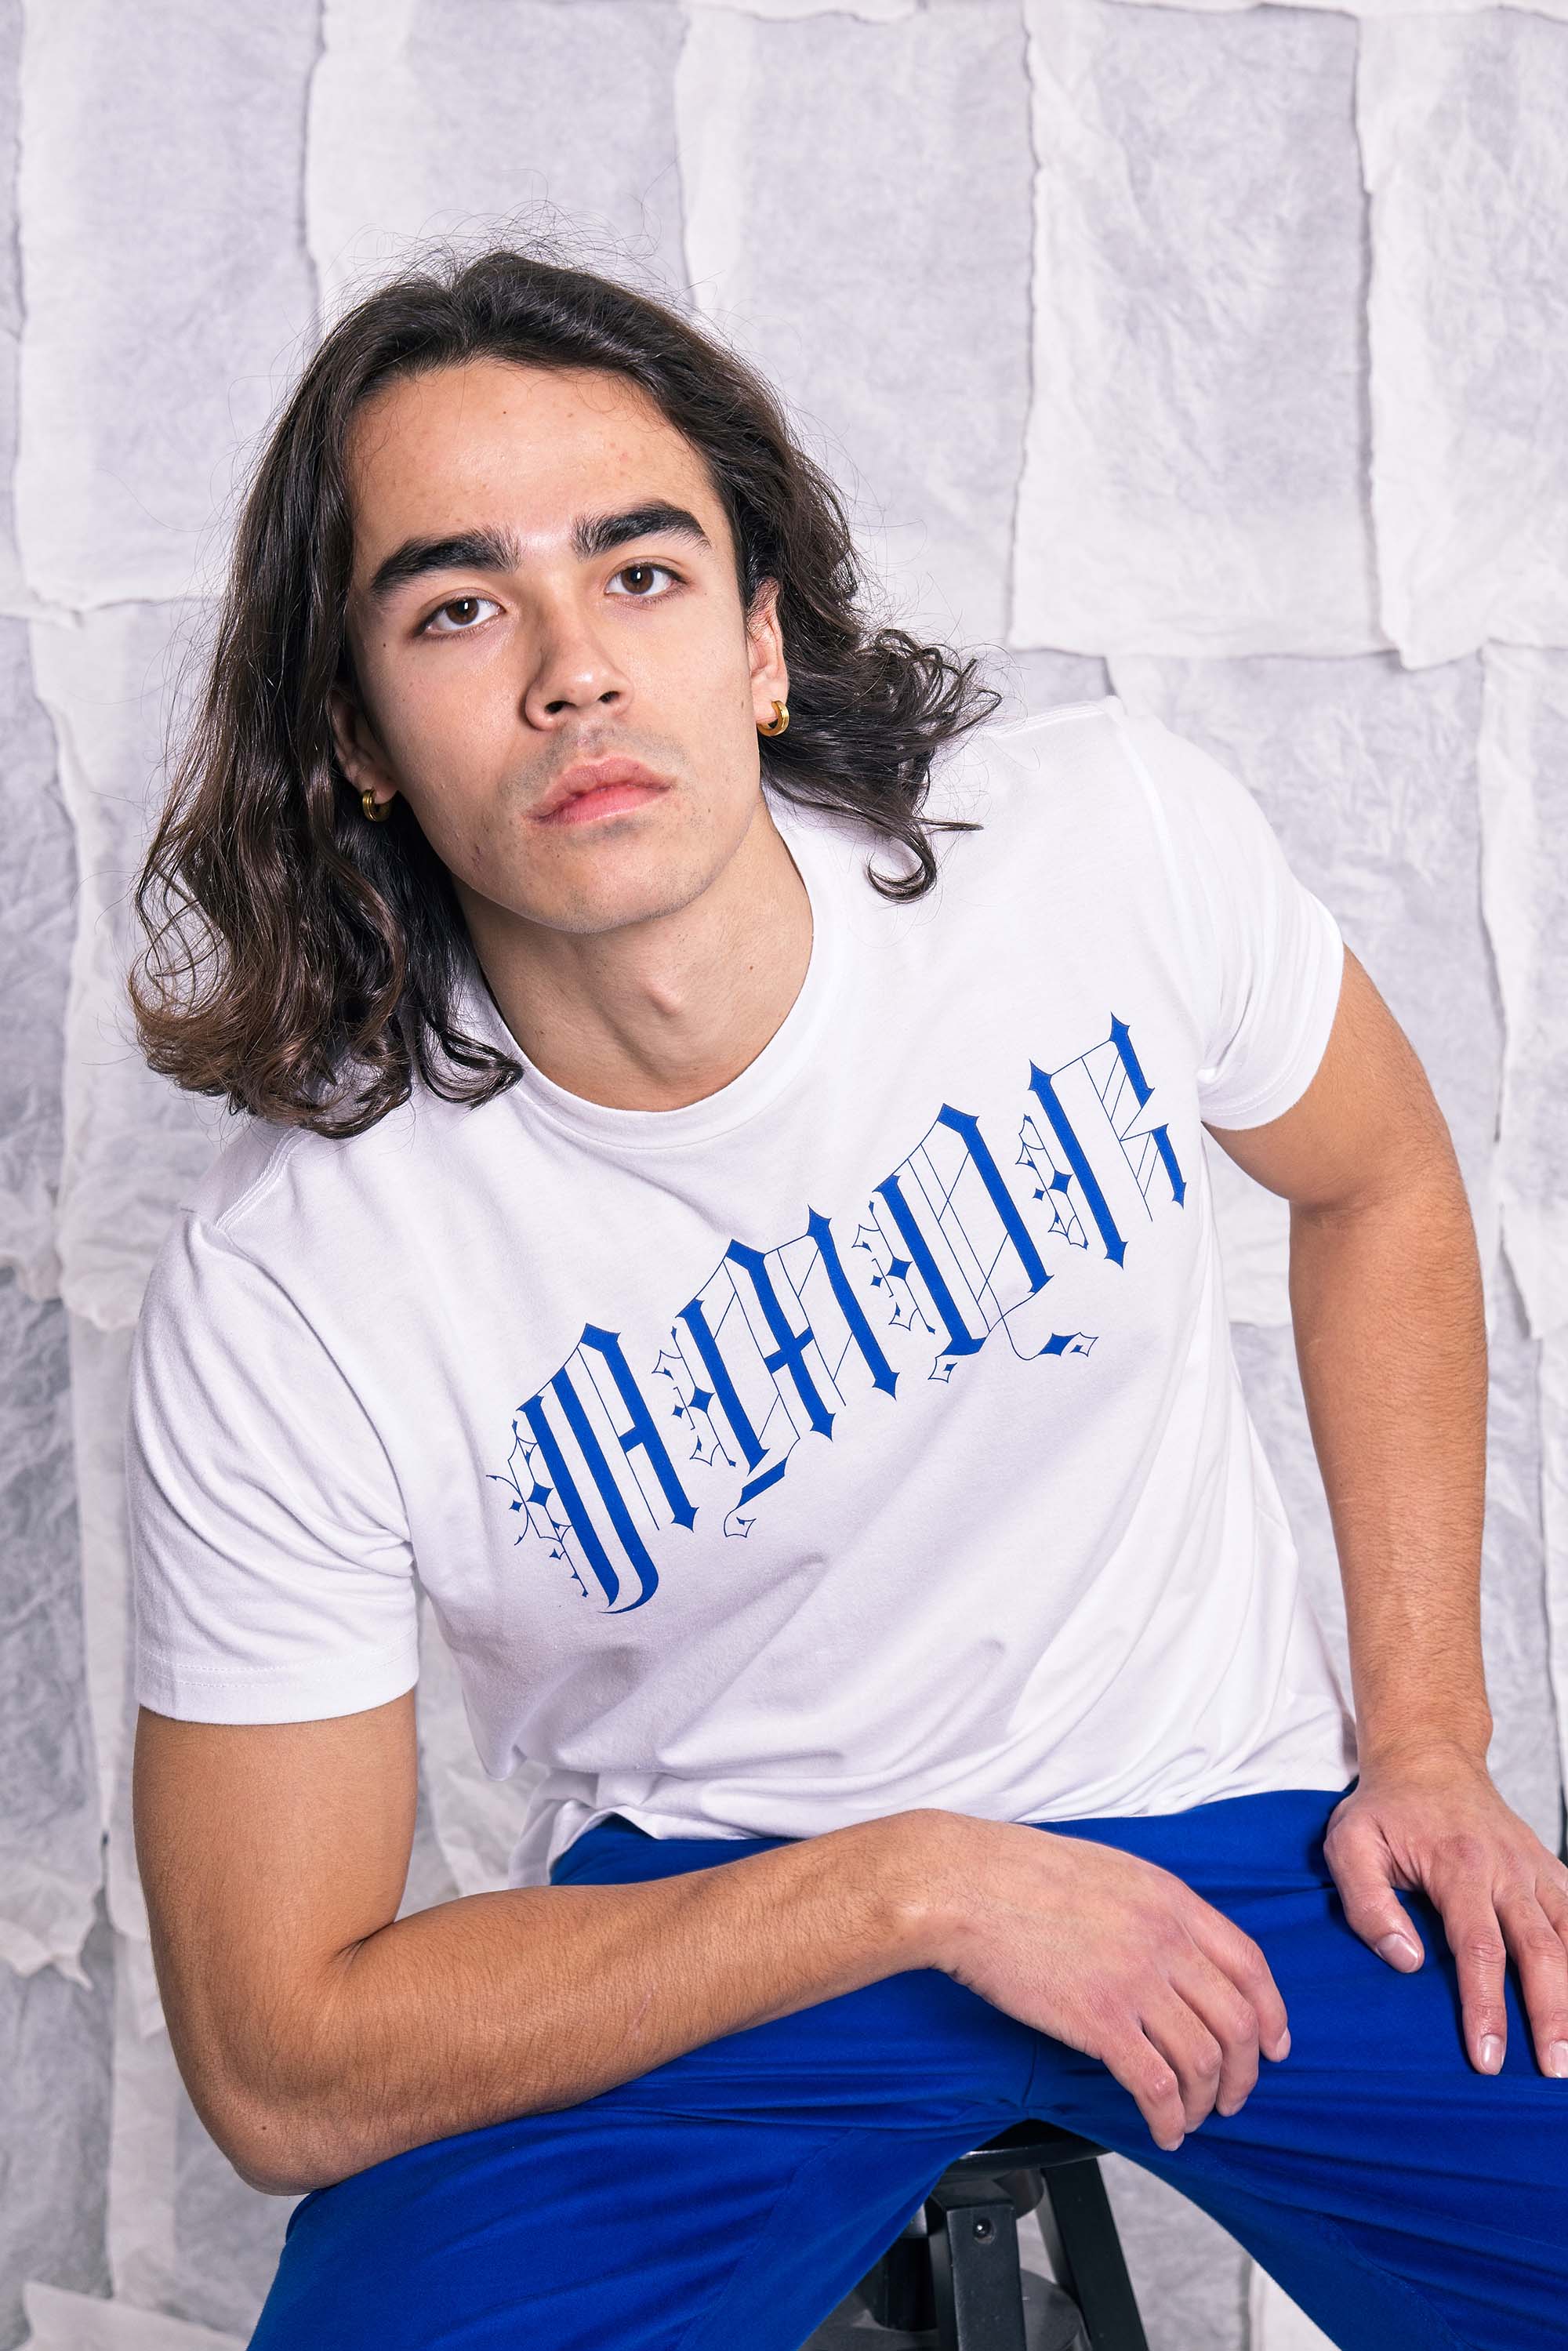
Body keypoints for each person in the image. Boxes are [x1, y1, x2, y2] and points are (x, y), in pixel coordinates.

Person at [124, 245, 1566, 2351]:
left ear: (761, 641)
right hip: (730, 1923)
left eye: (639, 574)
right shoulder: (295, 1288)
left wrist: (1428, 1737)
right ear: (353, 736)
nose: (573, 673)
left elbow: (1377, 1179)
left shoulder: (1101, 847)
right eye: (458, 609)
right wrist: (916, 1882)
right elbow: (281, 2062)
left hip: (1241, 1831)